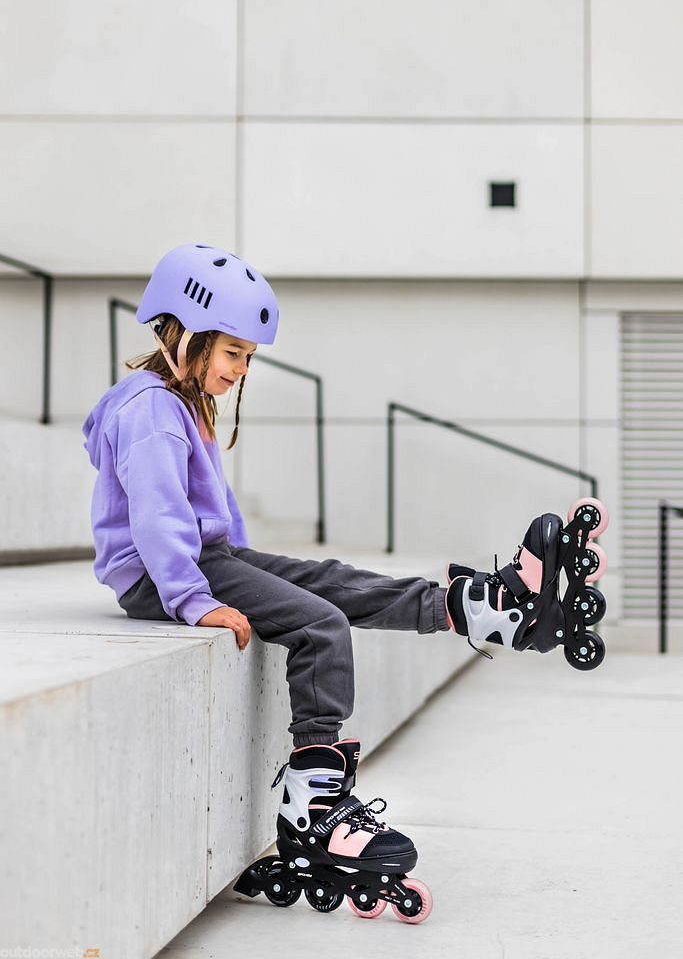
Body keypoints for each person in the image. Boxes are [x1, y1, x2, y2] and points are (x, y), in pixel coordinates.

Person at [82, 243, 608, 922]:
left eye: (248, 357)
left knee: (330, 580)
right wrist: (194, 600)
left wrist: (244, 569)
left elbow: (209, 517)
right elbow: (157, 519)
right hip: (164, 577)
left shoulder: (178, 403)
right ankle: (314, 806)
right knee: (321, 625)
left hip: (203, 559)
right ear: (182, 332)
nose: (241, 370)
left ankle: (485, 608)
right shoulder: (152, 412)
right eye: (234, 353)